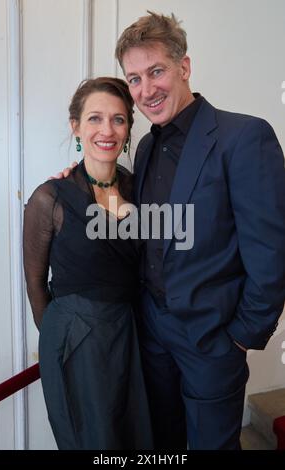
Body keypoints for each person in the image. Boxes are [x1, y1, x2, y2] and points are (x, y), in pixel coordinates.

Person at [57, 12, 285, 450]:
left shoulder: (244, 137)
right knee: (163, 444)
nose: (146, 89)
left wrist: (241, 336)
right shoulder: (144, 146)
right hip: (152, 334)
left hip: (213, 339)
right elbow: (139, 224)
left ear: (184, 67)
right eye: (135, 78)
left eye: (156, 71)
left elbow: (271, 253)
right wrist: (78, 177)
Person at [23, 77, 153, 450]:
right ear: (76, 126)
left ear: (129, 128)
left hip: (131, 334)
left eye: (118, 119)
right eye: (95, 118)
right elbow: (35, 286)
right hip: (75, 340)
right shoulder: (50, 197)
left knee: (134, 439)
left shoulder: (139, 188)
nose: (107, 130)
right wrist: (63, 341)